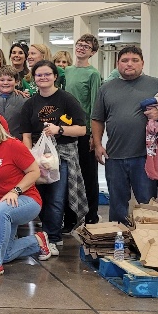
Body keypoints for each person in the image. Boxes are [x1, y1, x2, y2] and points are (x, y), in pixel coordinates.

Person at [0, 109, 51, 278]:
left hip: (26, 200)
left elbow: (34, 172)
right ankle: (37, 241)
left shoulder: (12, 145)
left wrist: (15, 190)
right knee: (2, 252)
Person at [91, 45, 158, 224]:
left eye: (135, 60)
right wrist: (97, 144)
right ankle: (119, 238)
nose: (129, 64)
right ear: (118, 64)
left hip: (146, 157)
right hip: (114, 156)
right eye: (124, 61)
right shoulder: (106, 88)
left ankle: (148, 239)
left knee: (147, 202)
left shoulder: (157, 85)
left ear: (142, 63)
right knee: (117, 205)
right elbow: (97, 119)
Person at [21, 60, 88, 251]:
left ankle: (53, 237)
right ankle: (45, 233)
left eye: (47, 74)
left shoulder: (67, 99)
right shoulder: (29, 104)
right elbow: (26, 135)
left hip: (61, 156)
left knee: (57, 197)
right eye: (39, 75)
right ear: (34, 79)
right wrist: (29, 157)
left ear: (55, 77)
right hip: (37, 157)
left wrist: (59, 130)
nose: (43, 78)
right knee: (39, 196)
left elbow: (82, 129)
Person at [65, 34, 102, 224]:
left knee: (88, 175)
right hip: (67, 130)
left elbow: (96, 104)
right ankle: (72, 216)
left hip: (84, 131)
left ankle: (92, 215)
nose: (81, 48)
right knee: (71, 176)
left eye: (86, 46)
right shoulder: (67, 71)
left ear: (93, 52)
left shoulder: (93, 74)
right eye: (79, 44)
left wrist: (93, 136)